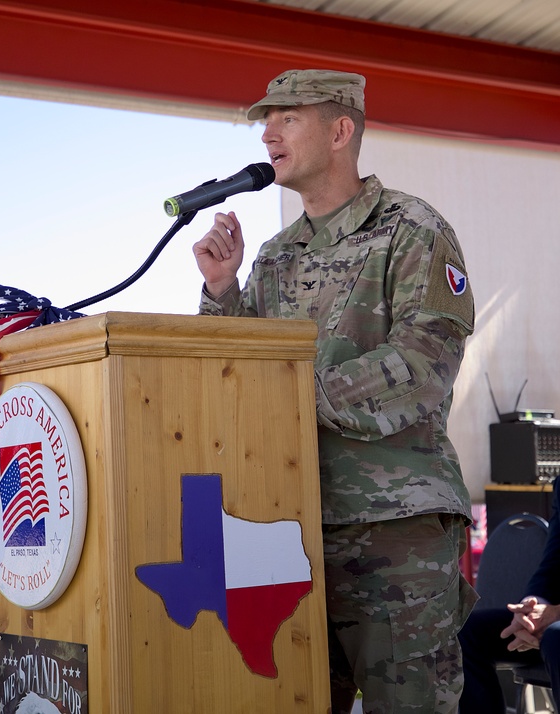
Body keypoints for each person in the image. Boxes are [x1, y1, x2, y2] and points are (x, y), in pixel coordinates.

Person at [191, 69, 476, 713]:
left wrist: (299, 398)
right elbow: (239, 377)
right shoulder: (272, 256)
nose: (267, 133)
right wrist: (221, 293)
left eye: (287, 118)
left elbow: (424, 362)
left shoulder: (412, 230)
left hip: (393, 530)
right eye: (267, 120)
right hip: (287, 528)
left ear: (341, 130)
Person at [459, 486, 560, 711]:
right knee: (467, 633)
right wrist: (532, 607)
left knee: (555, 637)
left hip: (555, 626)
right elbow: (552, 563)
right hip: (551, 619)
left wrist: (554, 615)